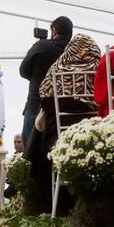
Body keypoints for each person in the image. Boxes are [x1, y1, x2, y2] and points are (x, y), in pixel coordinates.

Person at [25, 34, 101, 213]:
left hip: (58, 137)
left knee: (42, 126)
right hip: (93, 134)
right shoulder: (99, 70)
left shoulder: (57, 70)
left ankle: (44, 199)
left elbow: (45, 100)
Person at [19, 16, 72, 145]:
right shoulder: (76, 51)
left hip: (37, 103)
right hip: (67, 107)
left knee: (30, 149)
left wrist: (37, 76)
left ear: (54, 31)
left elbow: (23, 71)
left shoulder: (41, 46)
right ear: (70, 33)